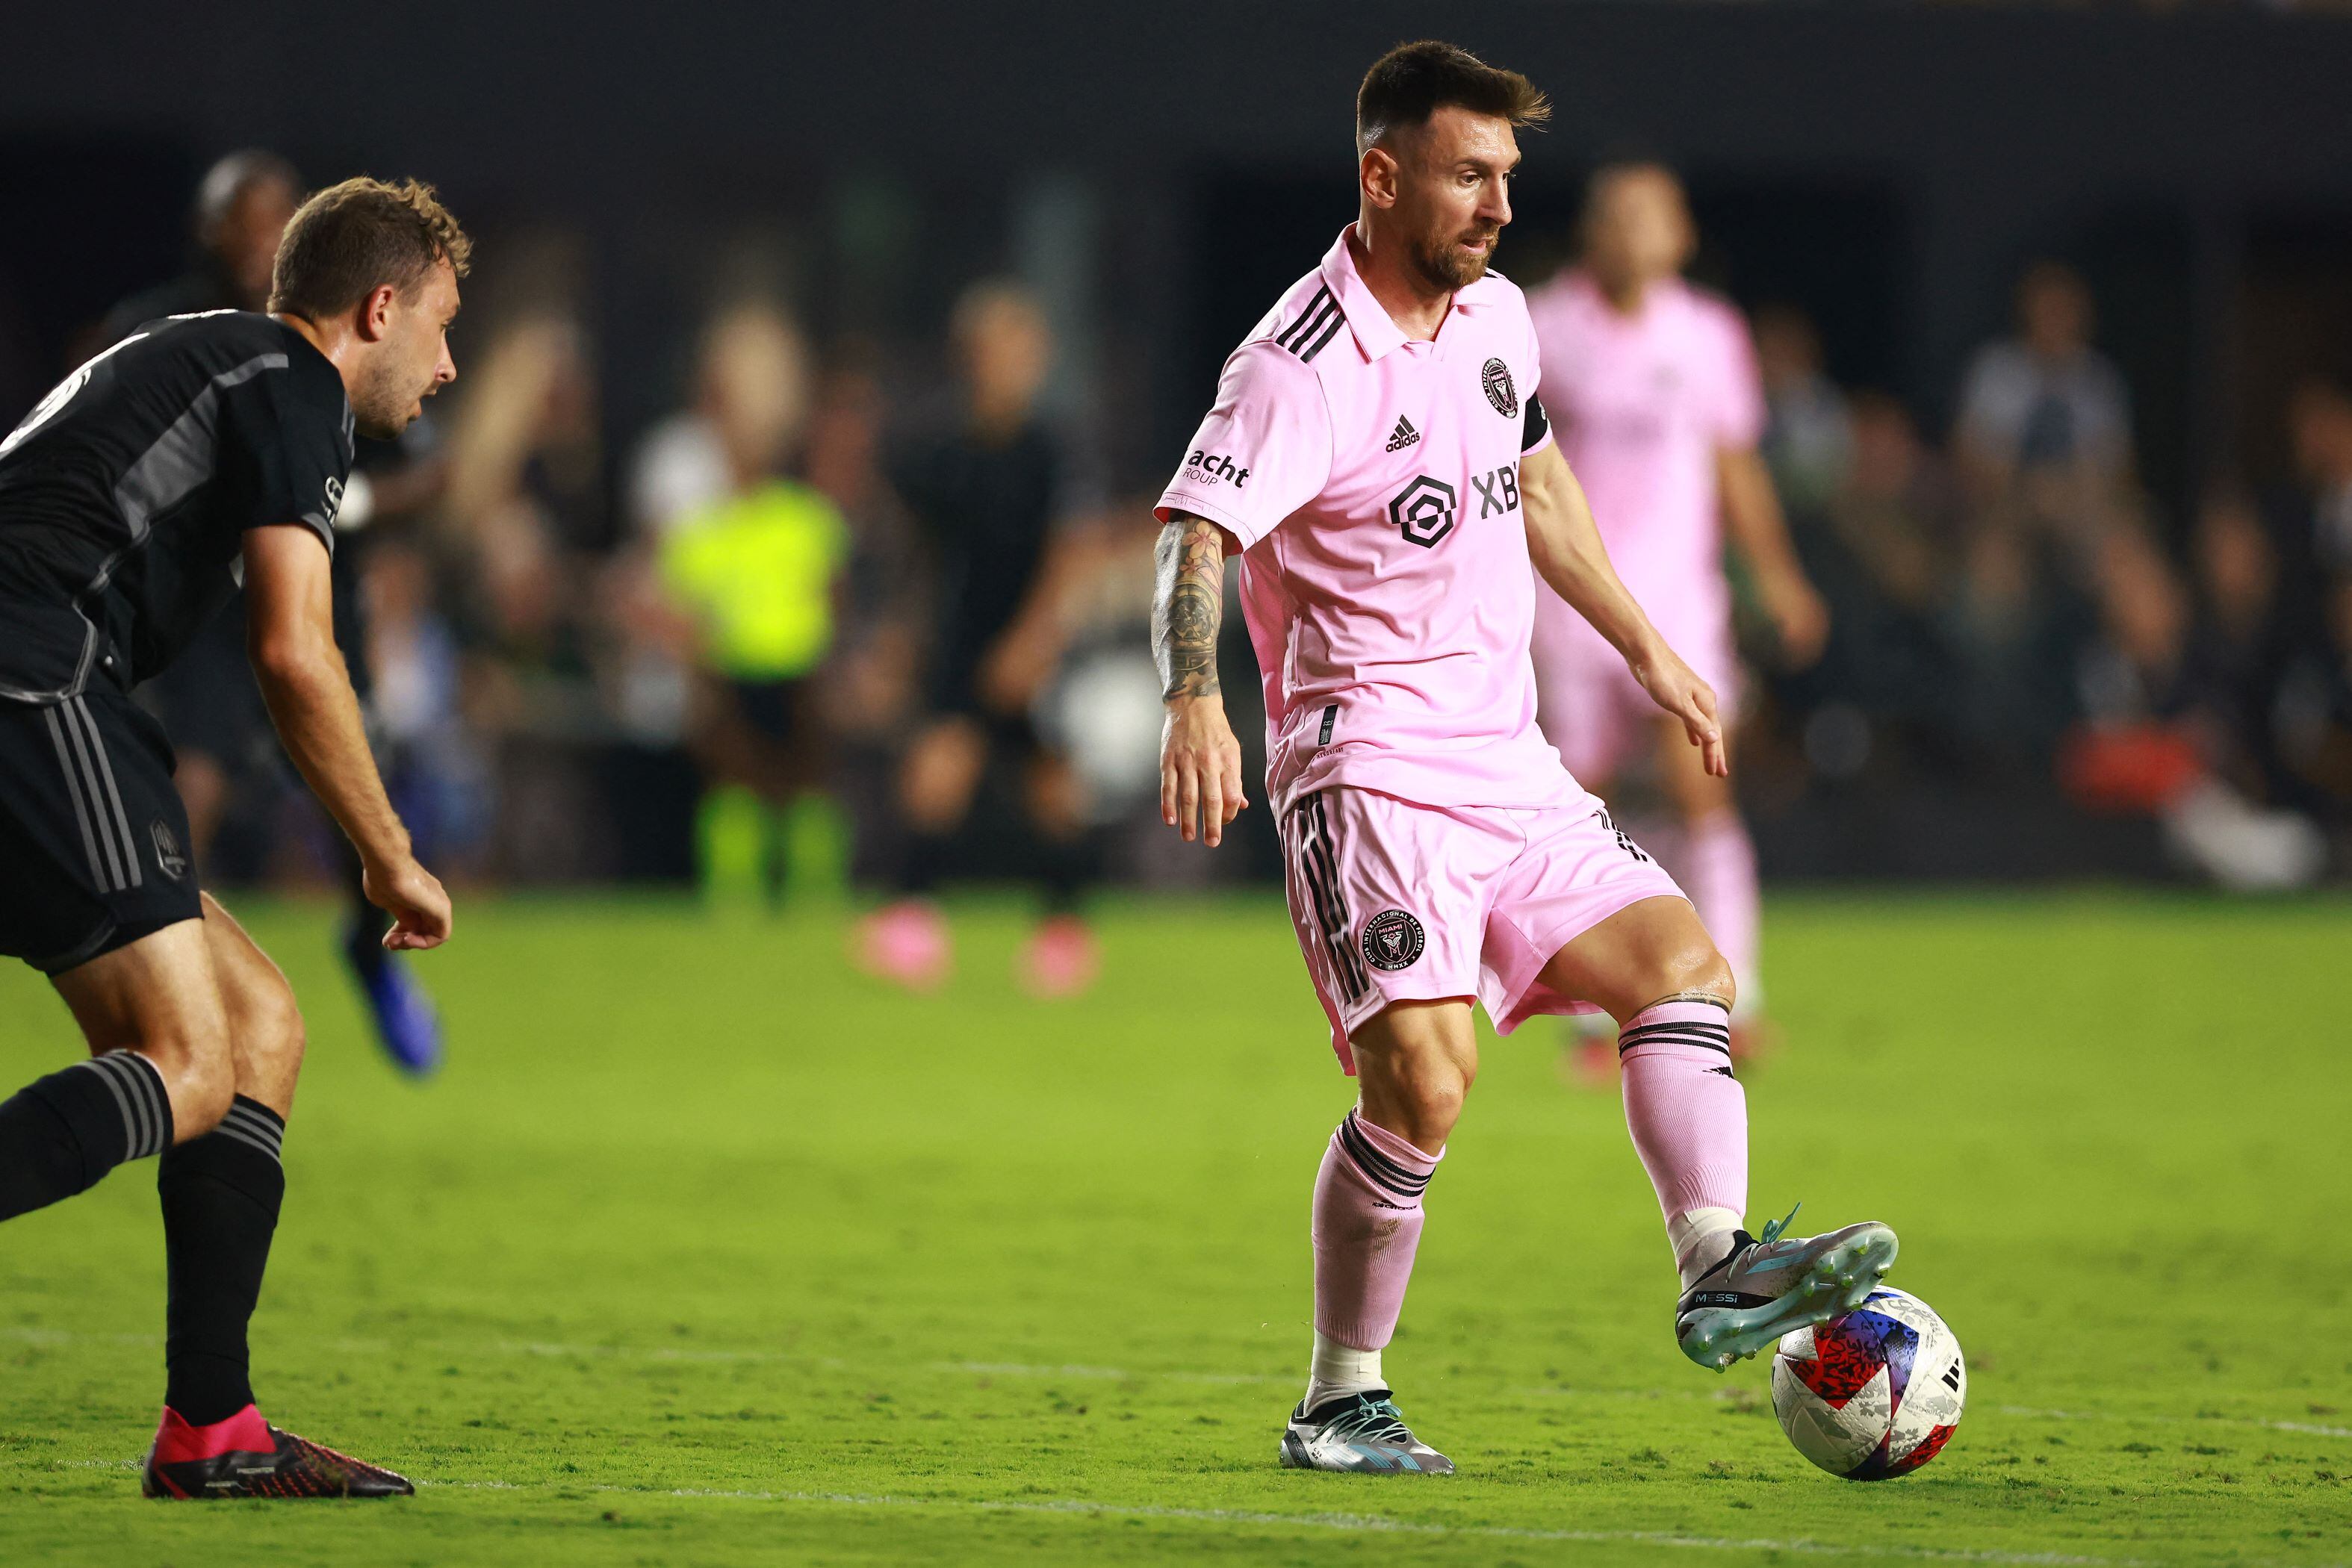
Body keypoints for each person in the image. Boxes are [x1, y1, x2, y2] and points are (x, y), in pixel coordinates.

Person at [1152, 41, 1897, 1475]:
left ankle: (1714, 1262)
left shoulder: (1496, 317)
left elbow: (1534, 480)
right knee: (1422, 1088)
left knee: (1681, 968)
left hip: (1505, 754)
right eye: (1464, 173)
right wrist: (1196, 698)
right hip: (1363, 764)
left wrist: (1644, 645)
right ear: (1380, 178)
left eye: (1506, 175)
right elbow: (1197, 532)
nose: (1496, 204)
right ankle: (1337, 1398)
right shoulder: (1296, 364)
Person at [0, 177, 466, 1497]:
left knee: (256, 1031)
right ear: (378, 307)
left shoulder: (210, 356)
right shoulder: (291, 384)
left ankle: (213, 1427)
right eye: (438, 325)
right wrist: (387, 854)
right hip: (27, 686)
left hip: (34, 689)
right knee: (186, 1056)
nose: (448, 363)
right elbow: (295, 653)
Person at [97, 151, 447, 1075]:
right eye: (243, 222)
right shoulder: (232, 350)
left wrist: (355, 507)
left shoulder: (323, 361)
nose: (444, 364)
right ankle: (165, 968)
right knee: (198, 778)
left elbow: (426, 474)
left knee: (345, 781)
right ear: (209, 233)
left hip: (308, 589)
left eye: (275, 220)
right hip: (197, 616)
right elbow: (292, 657)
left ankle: (351, 946)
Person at [1524, 164, 1828, 1078]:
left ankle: (1734, 998)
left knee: (1700, 784)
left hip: (1681, 600)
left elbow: (1734, 463)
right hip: (1572, 599)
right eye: (1614, 216)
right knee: (1582, 801)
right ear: (1590, 231)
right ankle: (1594, 1017)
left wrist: (1776, 576)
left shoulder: (1706, 335)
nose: (1631, 233)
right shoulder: (1542, 326)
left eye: (1649, 216)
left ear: (1680, 234)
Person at [855, 281, 1100, 997]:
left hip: (1033, 638)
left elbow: (1069, 552)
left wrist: (1034, 643)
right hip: (965, 634)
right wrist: (903, 635)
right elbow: (921, 556)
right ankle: (912, 921)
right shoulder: (942, 452)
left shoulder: (1052, 450)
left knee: (1050, 787)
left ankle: (1064, 929)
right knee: (937, 770)